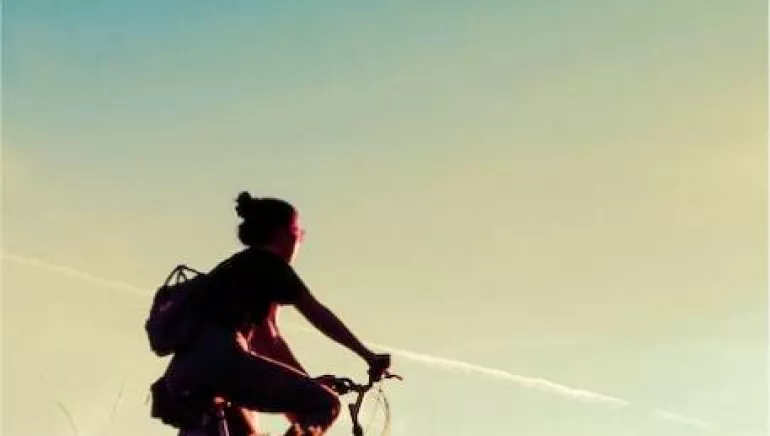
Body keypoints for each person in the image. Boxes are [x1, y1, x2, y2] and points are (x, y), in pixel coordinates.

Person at [165, 191, 391, 436]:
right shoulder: (270, 266)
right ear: (282, 233)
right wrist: (368, 356)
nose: (299, 240)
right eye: (297, 232)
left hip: (182, 374)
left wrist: (305, 383)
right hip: (223, 362)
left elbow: (268, 342)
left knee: (243, 429)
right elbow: (316, 314)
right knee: (327, 404)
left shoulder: (232, 268)